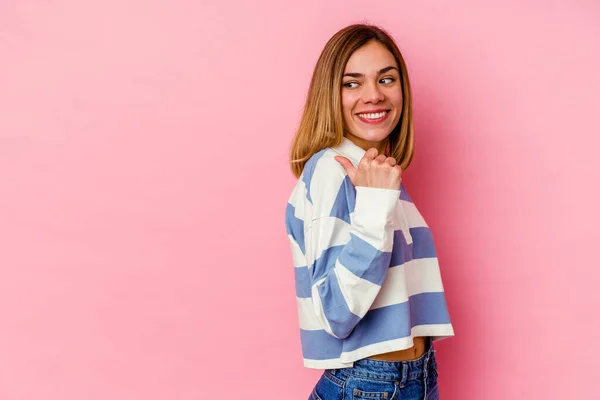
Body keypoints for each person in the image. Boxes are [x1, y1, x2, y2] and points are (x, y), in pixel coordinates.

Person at [284, 24, 455, 399]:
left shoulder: (375, 173)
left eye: (386, 79)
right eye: (352, 83)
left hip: (412, 379)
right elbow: (335, 313)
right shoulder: (332, 169)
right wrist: (375, 208)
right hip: (373, 385)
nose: (373, 96)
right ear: (329, 94)